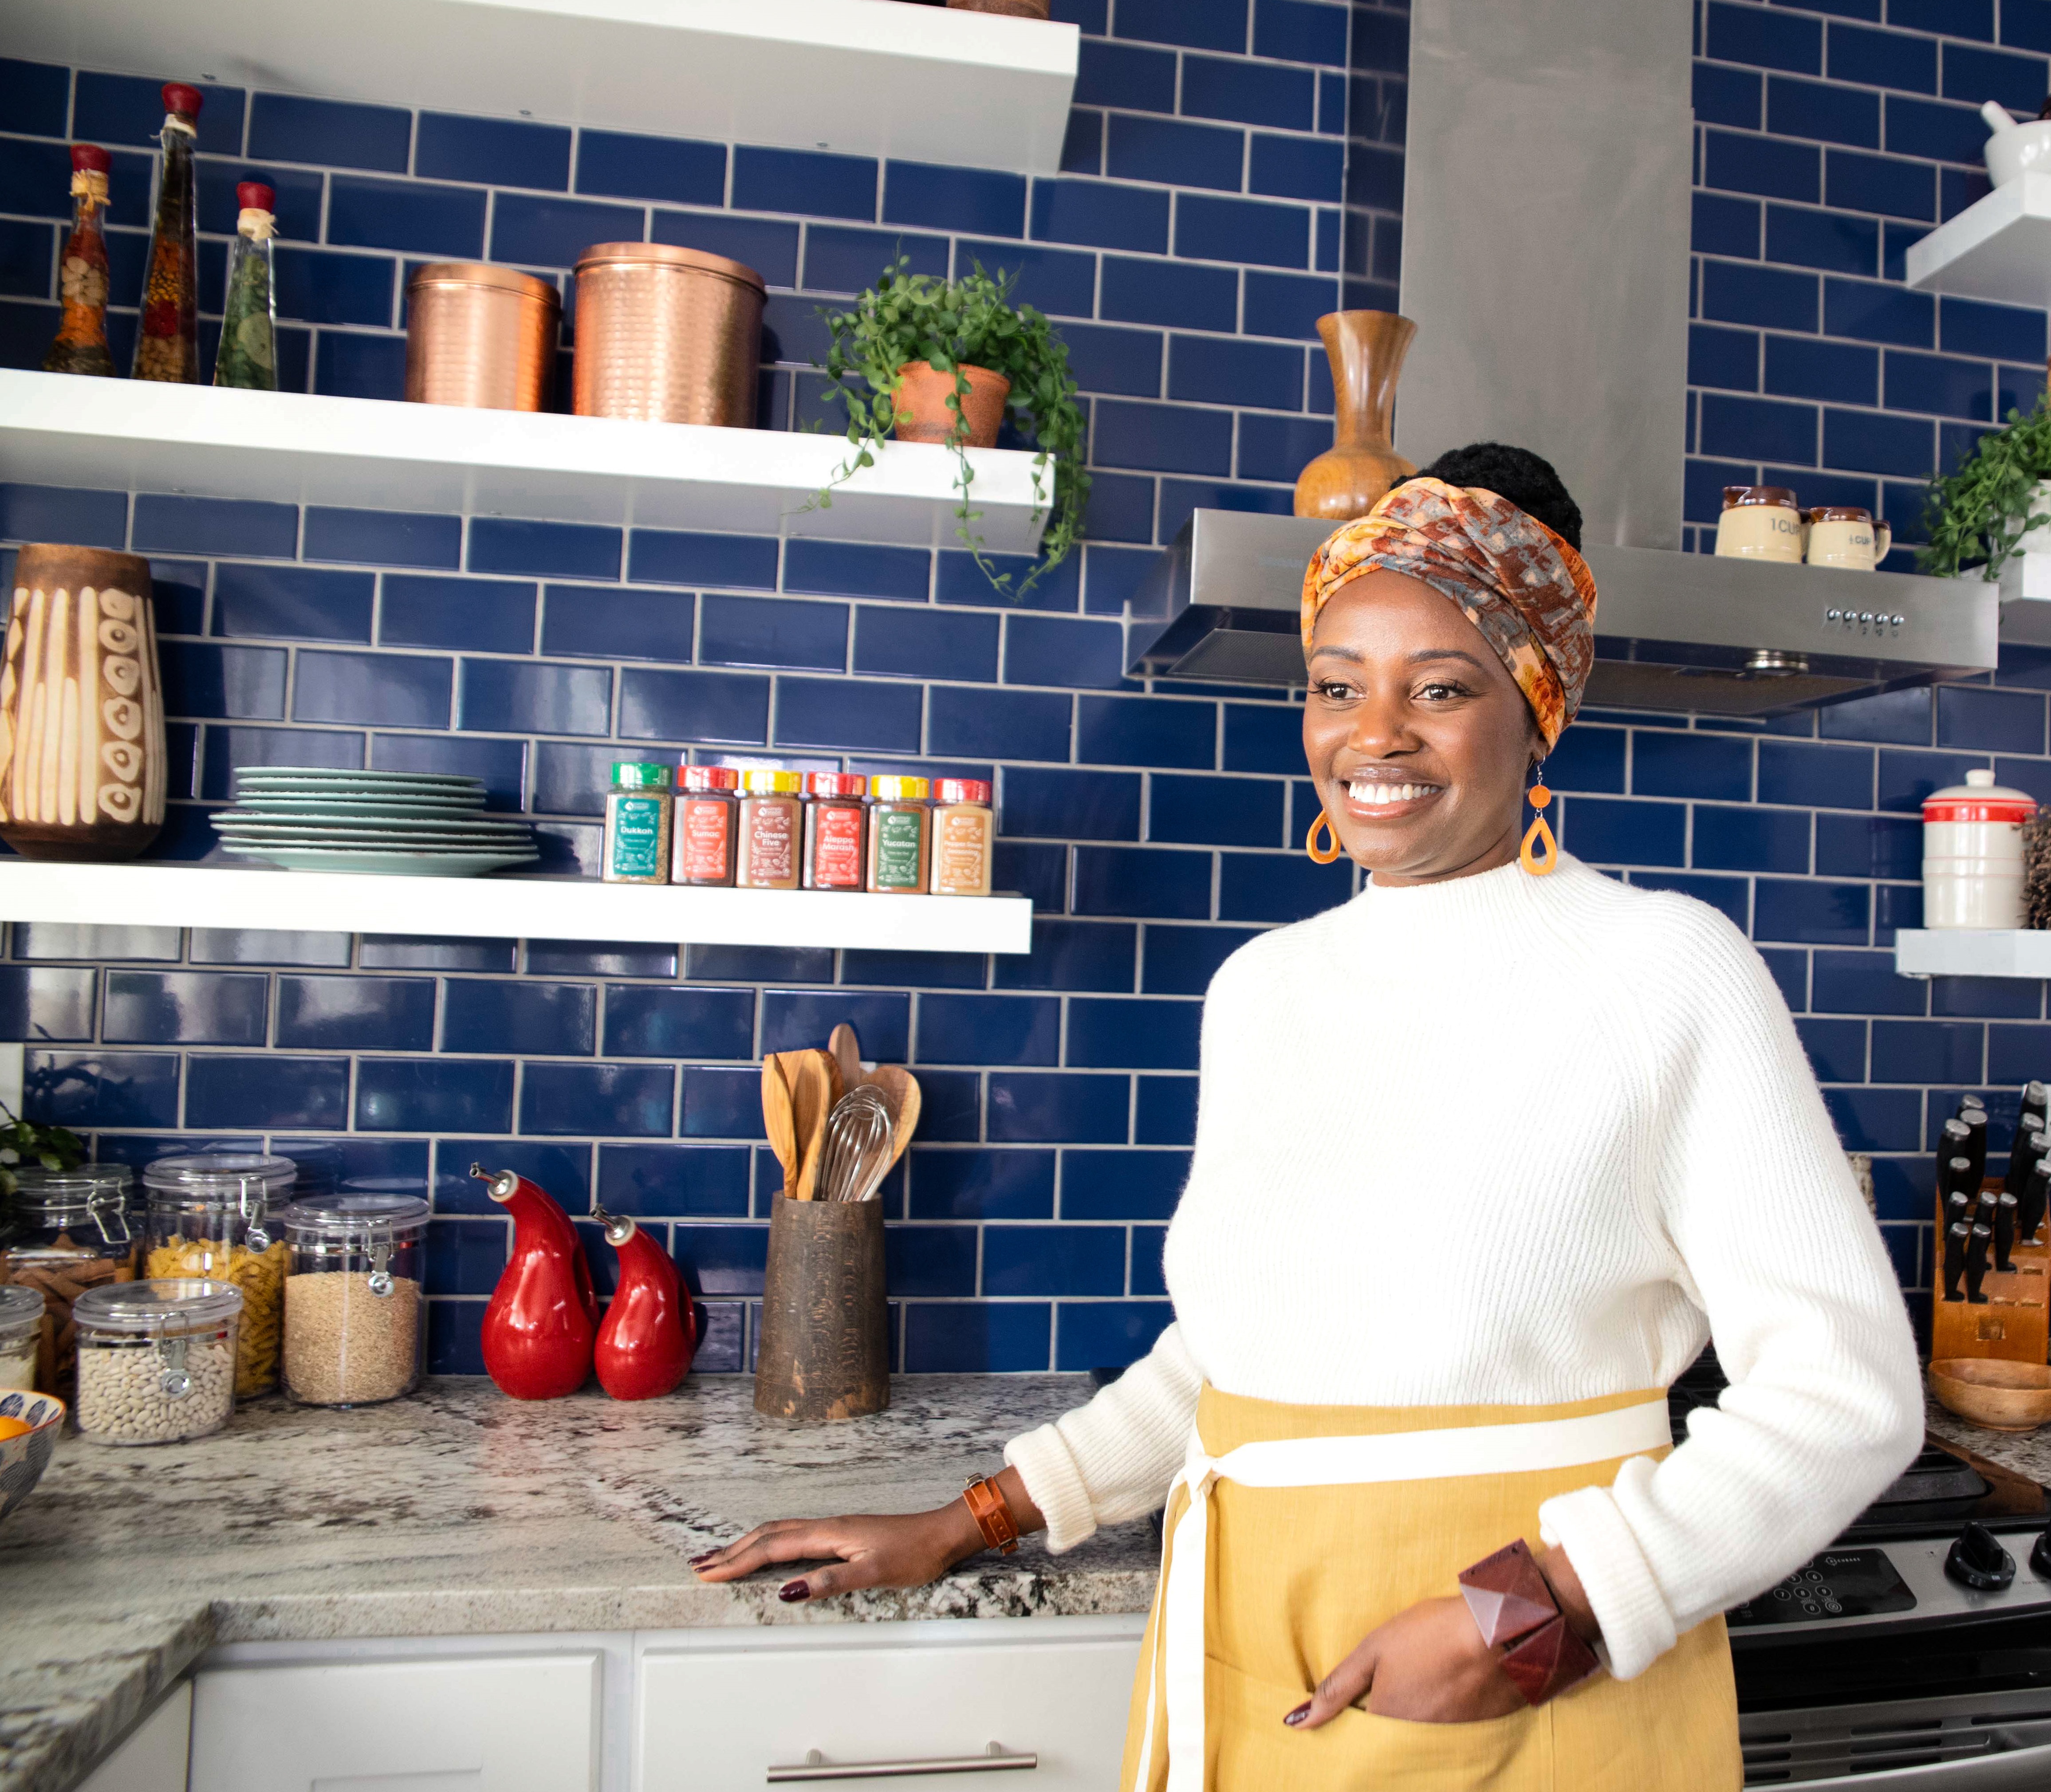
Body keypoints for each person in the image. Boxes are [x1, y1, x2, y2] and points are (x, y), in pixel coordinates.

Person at [694, 444, 1923, 1789]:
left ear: (1538, 705)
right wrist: (971, 1516)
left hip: (1514, 1661)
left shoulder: (1664, 968)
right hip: (1246, 1622)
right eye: (1337, 688)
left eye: (1440, 689)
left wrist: (1531, 1613)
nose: (1373, 735)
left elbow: (1845, 1391)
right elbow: (1233, 1359)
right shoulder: (1263, 990)